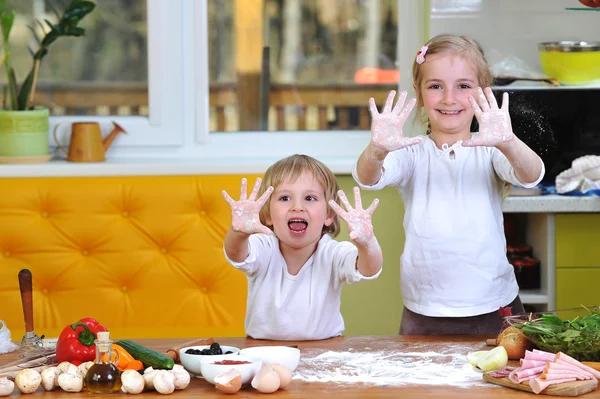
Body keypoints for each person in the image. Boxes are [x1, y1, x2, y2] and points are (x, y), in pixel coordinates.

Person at [353, 34, 545, 335]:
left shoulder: (492, 150)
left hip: (496, 305)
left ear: (483, 92)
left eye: (463, 86)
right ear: (418, 90)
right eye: (435, 86)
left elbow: (530, 174)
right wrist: (376, 150)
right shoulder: (411, 151)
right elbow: (368, 177)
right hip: (425, 310)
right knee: (425, 384)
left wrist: (509, 142)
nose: (449, 98)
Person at [222, 154, 383, 340]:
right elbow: (235, 254)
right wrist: (239, 232)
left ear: (329, 214)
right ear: (267, 215)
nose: (297, 207)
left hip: (325, 351)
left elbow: (369, 269)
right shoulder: (263, 247)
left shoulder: (333, 253)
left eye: (309, 198)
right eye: (284, 198)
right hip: (263, 350)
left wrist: (367, 243)